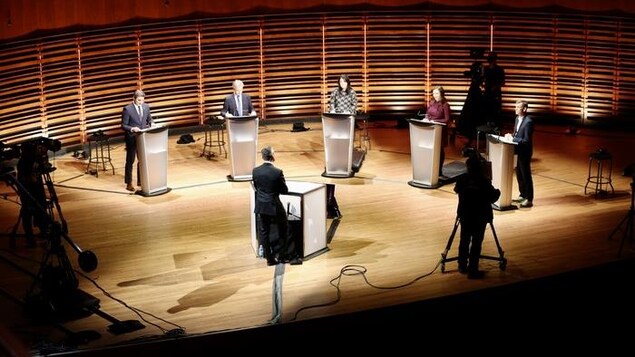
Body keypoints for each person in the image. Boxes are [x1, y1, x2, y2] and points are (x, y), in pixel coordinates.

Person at [454, 151, 500, 279]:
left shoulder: (462, 179)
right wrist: (497, 190)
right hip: (480, 217)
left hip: (465, 215)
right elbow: (493, 197)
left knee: (464, 240)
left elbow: (456, 190)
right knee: (476, 243)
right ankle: (473, 269)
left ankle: (462, 265)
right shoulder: (484, 182)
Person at [252, 146, 300, 266]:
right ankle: (284, 256)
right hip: (274, 205)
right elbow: (284, 190)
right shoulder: (277, 172)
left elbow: (257, 187)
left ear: (263, 156)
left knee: (264, 232)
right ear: (272, 156)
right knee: (284, 229)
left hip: (261, 205)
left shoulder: (255, 171)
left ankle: (269, 258)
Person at [121, 90, 153, 192]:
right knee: (130, 161)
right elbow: (123, 125)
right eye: (139, 100)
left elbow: (149, 119)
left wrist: (153, 123)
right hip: (131, 138)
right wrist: (132, 128)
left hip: (142, 137)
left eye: (142, 100)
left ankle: (140, 180)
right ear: (134, 99)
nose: (141, 102)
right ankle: (129, 183)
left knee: (142, 160)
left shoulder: (146, 107)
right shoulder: (127, 109)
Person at [505, 100, 534, 208]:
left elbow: (526, 140)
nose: (515, 109)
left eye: (518, 107)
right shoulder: (517, 119)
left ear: (524, 109)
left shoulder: (528, 122)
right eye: (515, 106)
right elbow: (516, 134)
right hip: (517, 151)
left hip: (525, 152)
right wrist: (511, 136)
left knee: (526, 175)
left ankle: (529, 199)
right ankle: (522, 195)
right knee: (519, 175)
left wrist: (514, 138)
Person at [425, 86, 451, 177]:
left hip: (440, 130)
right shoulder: (432, 102)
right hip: (431, 129)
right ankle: (431, 169)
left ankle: (439, 171)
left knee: (440, 150)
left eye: (437, 93)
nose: (434, 95)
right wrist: (426, 119)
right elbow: (427, 114)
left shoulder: (445, 105)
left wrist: (435, 121)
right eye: (434, 93)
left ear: (441, 94)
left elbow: (447, 119)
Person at [483, 52, 506, 129]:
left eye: (491, 57)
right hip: (487, 93)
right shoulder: (485, 69)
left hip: (495, 93)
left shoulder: (499, 69)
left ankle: (495, 126)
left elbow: (503, 82)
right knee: (486, 109)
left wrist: (495, 86)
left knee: (495, 110)